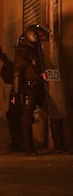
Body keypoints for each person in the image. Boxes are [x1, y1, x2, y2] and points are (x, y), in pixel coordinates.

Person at [12, 24, 68, 155]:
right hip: (32, 87)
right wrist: (16, 92)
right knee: (29, 117)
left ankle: (56, 145)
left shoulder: (39, 49)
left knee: (53, 113)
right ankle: (30, 148)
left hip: (40, 86)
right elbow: (18, 72)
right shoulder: (24, 51)